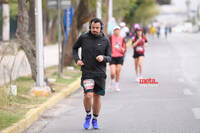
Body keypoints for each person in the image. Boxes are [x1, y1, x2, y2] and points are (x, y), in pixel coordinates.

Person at [72, 18, 111, 129]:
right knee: (88, 95)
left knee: (97, 97)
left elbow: (109, 57)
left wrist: (103, 58)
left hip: (100, 73)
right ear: (90, 27)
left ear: (101, 28)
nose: (95, 29)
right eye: (93, 27)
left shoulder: (106, 40)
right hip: (87, 72)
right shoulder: (84, 37)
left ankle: (95, 119)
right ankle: (88, 115)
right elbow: (75, 48)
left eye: (97, 28)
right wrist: (77, 60)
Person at [109, 26, 126, 91]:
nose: (117, 31)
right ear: (113, 31)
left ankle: (116, 86)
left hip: (120, 56)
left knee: (118, 71)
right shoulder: (110, 38)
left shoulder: (122, 38)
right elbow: (107, 47)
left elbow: (124, 48)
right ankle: (112, 80)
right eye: (115, 30)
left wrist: (122, 49)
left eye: (118, 30)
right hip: (112, 57)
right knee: (113, 72)